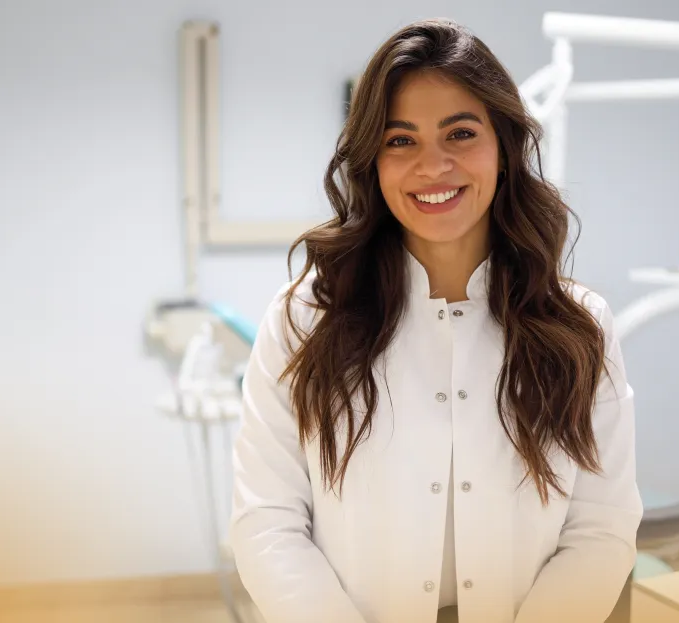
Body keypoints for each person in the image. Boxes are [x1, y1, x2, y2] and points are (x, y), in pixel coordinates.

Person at [228, 17, 642, 623]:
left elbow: (602, 526)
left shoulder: (579, 326)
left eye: (461, 133)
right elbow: (267, 523)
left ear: (504, 150)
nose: (434, 165)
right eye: (401, 141)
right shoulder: (304, 320)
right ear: (372, 161)